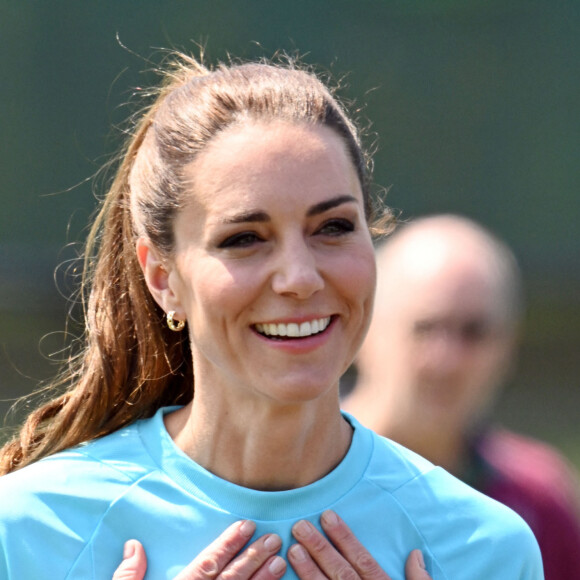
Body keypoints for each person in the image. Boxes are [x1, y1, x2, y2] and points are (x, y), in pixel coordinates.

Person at [0, 53, 543, 580]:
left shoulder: (489, 549)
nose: (300, 277)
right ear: (163, 279)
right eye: (245, 239)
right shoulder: (28, 528)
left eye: (333, 227)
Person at [343, 214, 580, 579]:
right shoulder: (291, 477)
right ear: (366, 331)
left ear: (508, 346)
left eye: (474, 332)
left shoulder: (538, 502)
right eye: (425, 328)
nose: (447, 360)